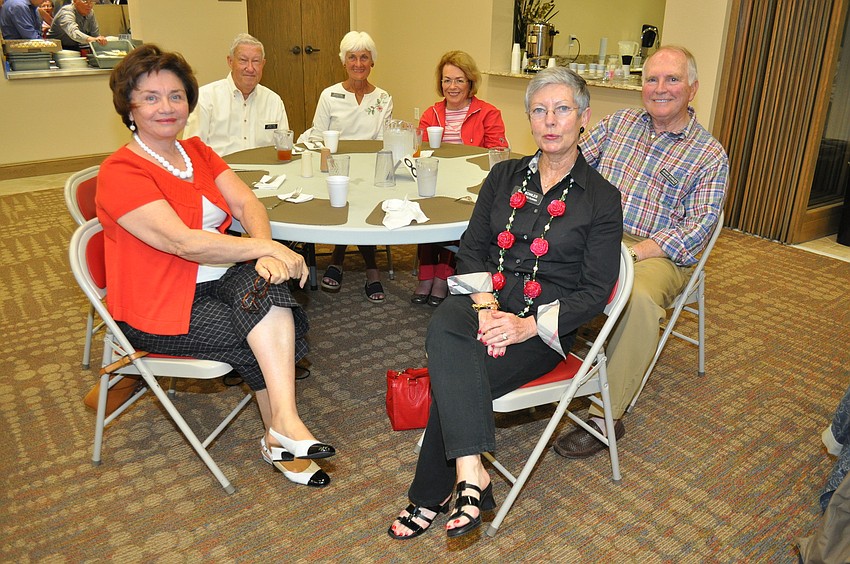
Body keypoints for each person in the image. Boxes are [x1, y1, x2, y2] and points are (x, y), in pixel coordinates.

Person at [387, 66, 623, 540]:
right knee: (445, 327)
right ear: (529, 119)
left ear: (583, 118)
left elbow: (594, 291)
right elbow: (471, 249)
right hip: (484, 301)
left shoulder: (602, 198)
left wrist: (524, 327)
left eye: (562, 109)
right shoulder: (502, 176)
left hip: (543, 328)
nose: (550, 120)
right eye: (539, 110)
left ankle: (429, 495)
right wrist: (485, 308)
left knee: (455, 375)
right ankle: (471, 473)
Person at [96, 44, 334, 489]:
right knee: (258, 330)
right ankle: (282, 436)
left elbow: (246, 203)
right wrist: (267, 248)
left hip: (219, 276)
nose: (166, 107)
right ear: (128, 107)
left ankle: (283, 426)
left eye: (176, 95)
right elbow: (183, 243)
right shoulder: (121, 171)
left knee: (268, 289)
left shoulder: (196, 152)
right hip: (159, 305)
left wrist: (265, 251)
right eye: (150, 97)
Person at [552, 45, 728, 459]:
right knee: (538, 256)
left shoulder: (708, 154)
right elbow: (574, 164)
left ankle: (604, 416)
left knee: (639, 299)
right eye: (652, 79)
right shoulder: (618, 125)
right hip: (599, 232)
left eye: (672, 79)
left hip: (659, 253)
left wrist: (637, 253)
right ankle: (533, 365)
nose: (660, 88)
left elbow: (698, 227)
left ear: (693, 89)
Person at [411, 50, 507, 307]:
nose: (452, 87)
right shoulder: (431, 113)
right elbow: (419, 151)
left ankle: (442, 278)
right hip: (436, 182)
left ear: (470, 83)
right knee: (425, 213)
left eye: (459, 80)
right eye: (447, 80)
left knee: (455, 218)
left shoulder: (488, 113)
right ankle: (426, 276)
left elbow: (498, 154)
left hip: (472, 186)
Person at [308, 31, 393, 303]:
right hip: (336, 169)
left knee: (363, 199)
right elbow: (317, 135)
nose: (358, 63)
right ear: (344, 62)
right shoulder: (329, 95)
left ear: (372, 62)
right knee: (346, 196)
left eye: (364, 57)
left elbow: (385, 141)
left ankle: (338, 259)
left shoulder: (383, 98)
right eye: (352, 57)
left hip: (370, 169)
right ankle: (371, 270)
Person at [183, 33, 289, 157]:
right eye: (243, 60)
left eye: (256, 61)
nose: (250, 68)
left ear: (263, 64)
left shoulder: (273, 101)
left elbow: (284, 148)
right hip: (220, 168)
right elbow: (191, 151)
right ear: (230, 61)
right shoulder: (206, 98)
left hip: (265, 168)